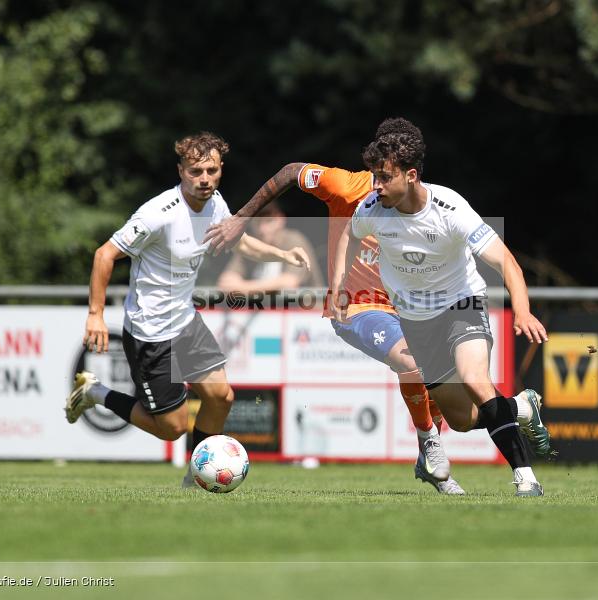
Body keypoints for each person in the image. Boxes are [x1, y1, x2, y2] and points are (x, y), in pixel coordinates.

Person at [204, 122, 465, 495]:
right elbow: (293, 172)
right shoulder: (348, 187)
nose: (382, 185)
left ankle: (446, 444)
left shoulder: (426, 205)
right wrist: (242, 217)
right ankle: (429, 444)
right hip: (357, 309)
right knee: (411, 362)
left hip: (411, 309)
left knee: (446, 385)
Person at [64, 132, 310, 485]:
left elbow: (237, 240)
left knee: (221, 397)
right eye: (195, 171)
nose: (204, 179)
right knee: (172, 429)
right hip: (150, 333)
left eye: (211, 170)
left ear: (220, 169)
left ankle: (196, 477)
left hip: (185, 322)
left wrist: (282, 255)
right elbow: (104, 255)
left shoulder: (216, 204)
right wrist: (95, 315)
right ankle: (95, 393)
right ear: (181, 170)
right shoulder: (157, 214)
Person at [332, 118, 552, 497]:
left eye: (384, 177)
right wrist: (338, 286)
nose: (375, 186)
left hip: (462, 304)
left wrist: (523, 311)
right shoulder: (372, 208)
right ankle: (521, 407)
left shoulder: (451, 209)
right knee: (464, 420)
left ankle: (526, 478)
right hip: (417, 323)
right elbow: (348, 240)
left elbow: (506, 263)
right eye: (374, 177)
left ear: (411, 175)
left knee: (475, 380)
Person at [217, 200, 323, 294]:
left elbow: (290, 283)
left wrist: (243, 288)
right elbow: (225, 282)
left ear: (281, 220)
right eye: (257, 222)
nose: (262, 229)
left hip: (308, 311)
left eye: (269, 221)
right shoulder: (252, 244)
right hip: (269, 312)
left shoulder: (294, 240)